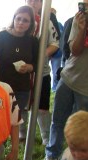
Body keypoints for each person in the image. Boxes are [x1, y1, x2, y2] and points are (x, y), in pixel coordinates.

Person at [43, 0, 88, 160]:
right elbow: (75, 50)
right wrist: (82, 30)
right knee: (58, 120)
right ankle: (52, 157)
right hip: (68, 78)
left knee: (83, 129)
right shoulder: (80, 18)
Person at [0, 5, 39, 142]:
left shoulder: (33, 41)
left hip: (21, 88)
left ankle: (12, 148)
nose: (21, 23)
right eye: (19, 19)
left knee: (14, 119)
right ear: (13, 19)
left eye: (25, 20)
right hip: (0, 86)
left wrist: (29, 67)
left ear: (31, 24)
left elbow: (38, 64)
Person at [26, 0, 60, 146]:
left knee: (42, 106)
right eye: (30, 0)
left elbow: (55, 43)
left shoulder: (48, 21)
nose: (33, 3)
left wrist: (42, 55)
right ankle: (22, 135)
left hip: (41, 73)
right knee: (22, 104)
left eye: (37, 1)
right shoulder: (20, 17)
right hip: (21, 73)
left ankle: (46, 137)